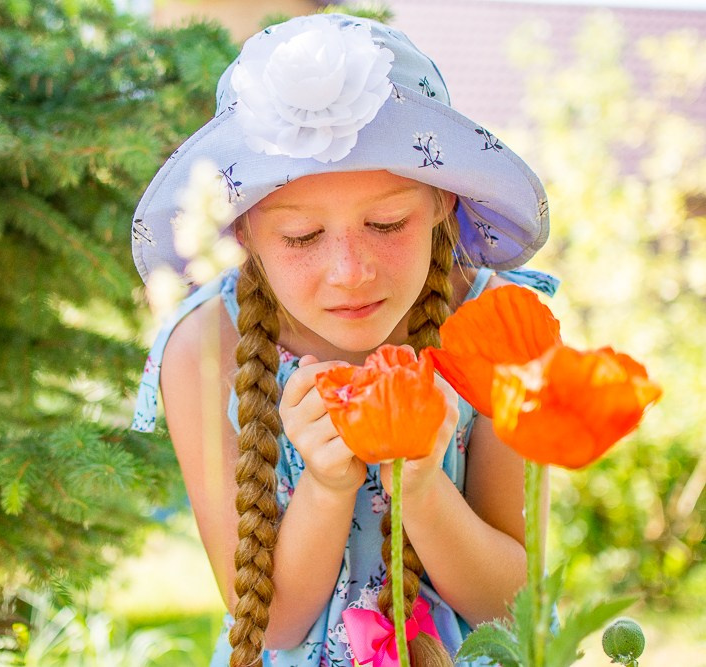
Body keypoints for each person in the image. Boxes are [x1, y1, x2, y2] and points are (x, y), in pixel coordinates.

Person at [130, 13, 559, 667]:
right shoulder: (203, 350)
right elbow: (269, 624)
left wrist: (421, 485)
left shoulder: (500, 325)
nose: (350, 271)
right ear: (242, 229)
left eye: (386, 222)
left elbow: (513, 603)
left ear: (444, 199)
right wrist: (326, 487)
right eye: (301, 235)